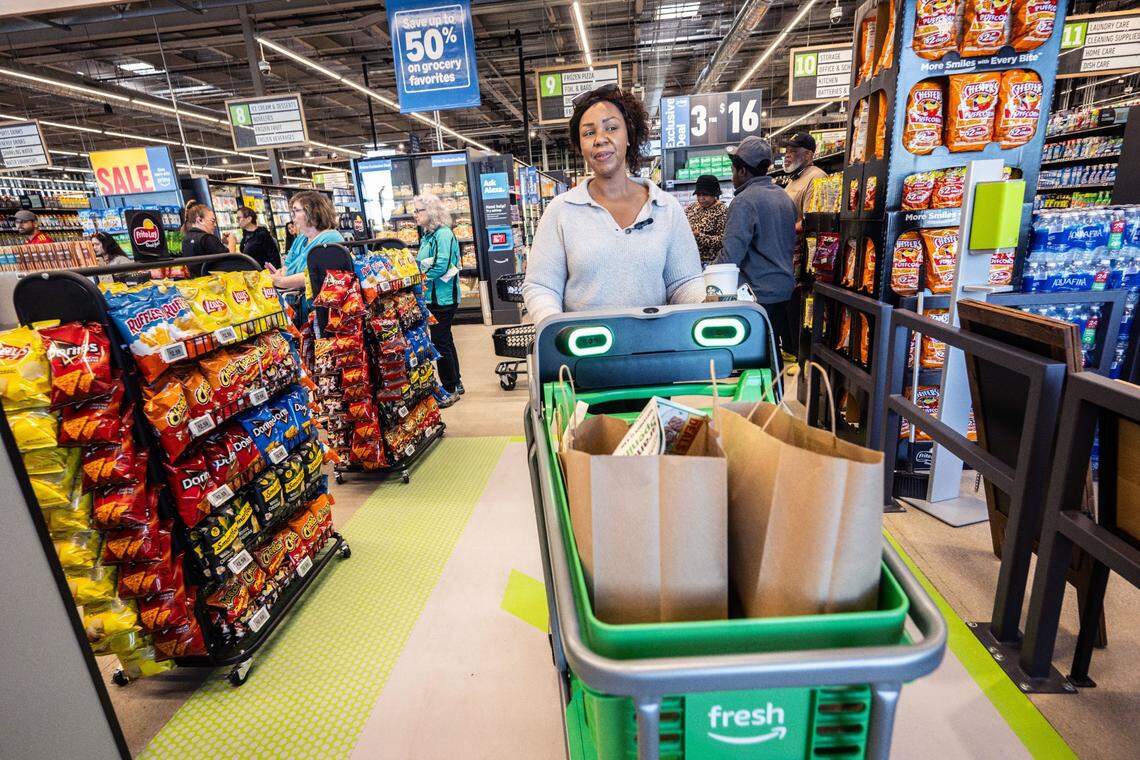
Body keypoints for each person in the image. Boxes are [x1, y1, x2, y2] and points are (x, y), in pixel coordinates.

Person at [523, 84, 703, 323]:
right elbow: (541, 286)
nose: (600, 139)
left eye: (611, 128)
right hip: (585, 344)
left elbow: (684, 282)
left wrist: (705, 303)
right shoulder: (561, 211)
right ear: (580, 146)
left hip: (655, 342)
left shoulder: (665, 208)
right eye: (589, 133)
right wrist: (554, 327)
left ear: (629, 135)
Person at [713, 136, 797, 354]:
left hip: (756, 293)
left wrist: (708, 277)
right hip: (783, 290)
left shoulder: (744, 201)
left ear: (742, 171)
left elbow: (730, 256)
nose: (732, 176)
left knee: (752, 355)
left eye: (733, 170)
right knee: (772, 350)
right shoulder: (783, 197)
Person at [414, 193, 464, 399]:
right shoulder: (429, 235)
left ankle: (450, 389)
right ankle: (456, 382)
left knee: (440, 342)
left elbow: (441, 265)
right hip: (433, 297)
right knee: (446, 339)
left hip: (443, 299)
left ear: (431, 211)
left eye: (418, 210)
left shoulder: (443, 234)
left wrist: (419, 278)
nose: (415, 215)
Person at [267, 190, 344, 295]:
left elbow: (316, 275)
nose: (293, 216)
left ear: (313, 213)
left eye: (296, 210)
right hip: (293, 297)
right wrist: (280, 273)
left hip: (317, 300)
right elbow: (287, 265)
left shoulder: (331, 238)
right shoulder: (301, 238)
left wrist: (281, 281)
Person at [782, 132, 828, 232]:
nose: (787, 156)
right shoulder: (794, 179)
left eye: (792, 151)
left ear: (808, 155)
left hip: (800, 241)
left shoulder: (817, 177)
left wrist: (781, 231)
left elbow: (811, 222)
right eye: (786, 152)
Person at [684, 175, 728, 267]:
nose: (701, 198)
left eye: (705, 195)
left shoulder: (722, 211)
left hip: (711, 264)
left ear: (715, 194)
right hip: (690, 260)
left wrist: (699, 236)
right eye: (698, 195)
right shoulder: (692, 208)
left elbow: (723, 241)